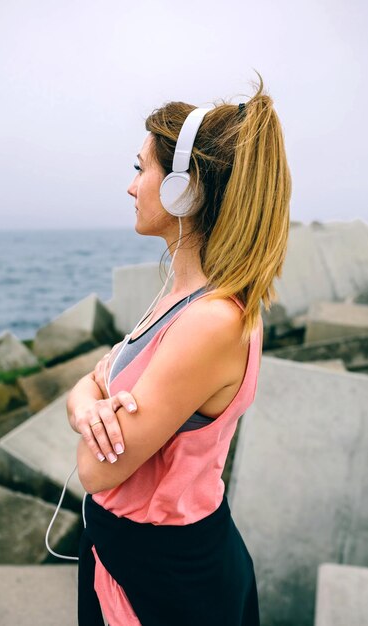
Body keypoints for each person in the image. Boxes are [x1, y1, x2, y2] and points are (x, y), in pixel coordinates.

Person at [67, 71, 291, 626]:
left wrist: (94, 401)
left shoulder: (210, 321)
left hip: (164, 580)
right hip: (131, 556)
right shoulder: (180, 296)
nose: (131, 185)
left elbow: (96, 471)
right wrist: (86, 406)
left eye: (140, 169)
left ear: (182, 188)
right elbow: (90, 384)